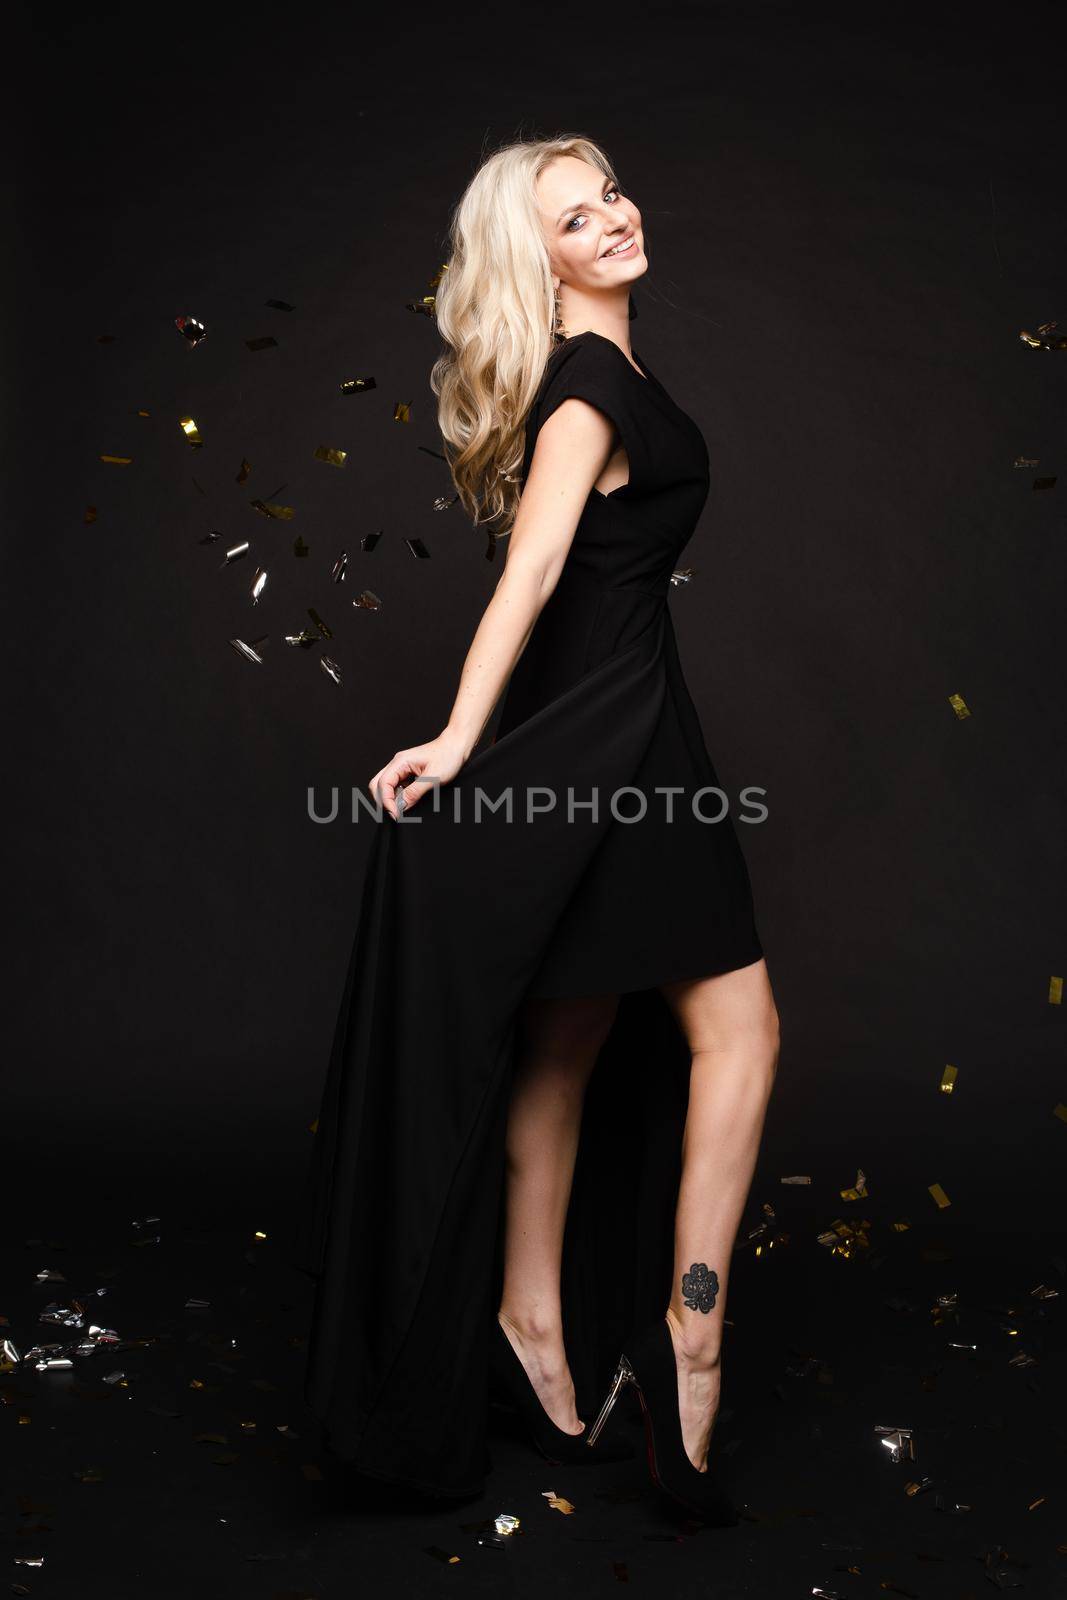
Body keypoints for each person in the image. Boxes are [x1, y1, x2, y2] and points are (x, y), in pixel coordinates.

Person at [294, 133, 781, 1520]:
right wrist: (458, 738)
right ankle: (691, 1336)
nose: (615, 219)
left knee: (565, 1039)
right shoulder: (586, 390)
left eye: (614, 193)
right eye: (577, 216)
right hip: (616, 741)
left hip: (613, 728)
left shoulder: (613, 374)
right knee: (733, 1033)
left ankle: (528, 1324)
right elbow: (537, 568)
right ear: (544, 257)